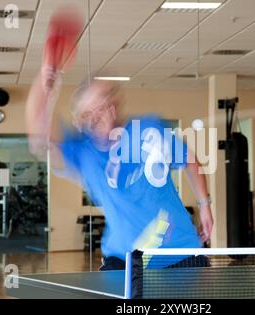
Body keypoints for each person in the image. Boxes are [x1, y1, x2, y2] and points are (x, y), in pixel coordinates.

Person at [25, 15, 213, 271]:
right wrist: (48, 71)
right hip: (123, 260)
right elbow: (38, 128)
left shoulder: (147, 130)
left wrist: (204, 206)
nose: (103, 110)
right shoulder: (82, 153)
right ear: (82, 117)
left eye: (106, 100)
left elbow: (190, 160)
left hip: (180, 254)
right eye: (94, 108)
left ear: (115, 103)